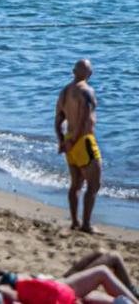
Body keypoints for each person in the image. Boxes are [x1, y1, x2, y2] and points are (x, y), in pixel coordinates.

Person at [0, 259, 139, 304]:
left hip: (55, 289)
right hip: (57, 291)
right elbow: (15, 295)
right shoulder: (2, 292)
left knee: (91, 294)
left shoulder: (2, 288)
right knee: (103, 271)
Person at [57, 58, 101, 233]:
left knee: (75, 184)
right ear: (90, 74)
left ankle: (75, 221)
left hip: (71, 141)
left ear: (73, 72)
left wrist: (62, 140)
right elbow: (84, 120)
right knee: (94, 184)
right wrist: (73, 140)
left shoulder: (65, 92)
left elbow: (58, 119)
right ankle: (86, 225)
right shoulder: (87, 91)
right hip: (84, 141)